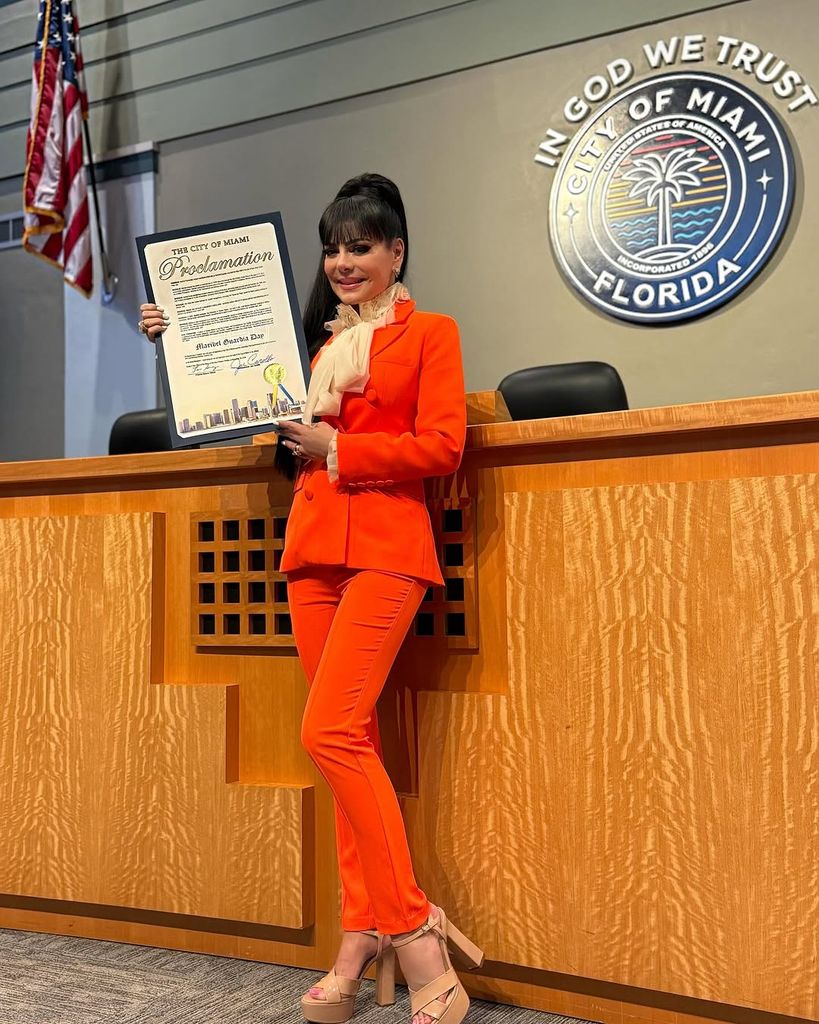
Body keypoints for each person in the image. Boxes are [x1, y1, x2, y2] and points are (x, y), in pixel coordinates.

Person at [137, 173, 483, 1024]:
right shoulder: (311, 348)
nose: (341, 261)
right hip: (312, 555)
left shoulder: (431, 332)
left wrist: (340, 449)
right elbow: (239, 391)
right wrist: (181, 340)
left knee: (327, 732)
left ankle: (415, 933)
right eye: (332, 248)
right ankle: (358, 932)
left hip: (386, 549)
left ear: (396, 251)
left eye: (359, 246)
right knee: (347, 743)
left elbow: (443, 445)